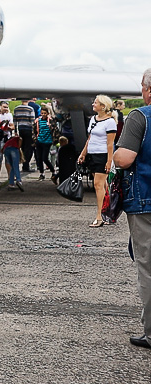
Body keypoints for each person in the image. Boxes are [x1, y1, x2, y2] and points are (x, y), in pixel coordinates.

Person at [111, 68, 151, 349]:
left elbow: (125, 158)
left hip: (146, 200)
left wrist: (114, 153)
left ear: (147, 88)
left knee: (148, 267)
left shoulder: (141, 116)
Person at [77, 95, 118, 228]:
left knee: (98, 185)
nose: (93, 104)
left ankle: (100, 216)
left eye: (96, 103)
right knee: (103, 185)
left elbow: (110, 143)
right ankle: (109, 212)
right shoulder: (93, 119)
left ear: (103, 106)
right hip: (92, 155)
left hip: (102, 155)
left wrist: (109, 161)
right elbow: (90, 138)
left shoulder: (110, 122)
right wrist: (83, 153)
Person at [12, 100, 36, 173]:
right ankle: (26, 165)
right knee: (28, 148)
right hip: (28, 129)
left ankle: (22, 163)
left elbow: (15, 121)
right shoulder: (30, 109)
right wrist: (33, 131)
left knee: (22, 147)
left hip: (20, 129)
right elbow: (32, 120)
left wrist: (15, 131)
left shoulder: (16, 109)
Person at [2, 118, 24, 192]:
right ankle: (18, 180)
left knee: (12, 167)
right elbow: (19, 143)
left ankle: (11, 183)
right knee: (16, 166)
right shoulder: (18, 138)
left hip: (6, 149)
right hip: (13, 149)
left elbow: (2, 149)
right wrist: (19, 148)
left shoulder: (11, 139)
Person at [34, 107, 54, 181]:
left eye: (45, 113)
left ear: (47, 114)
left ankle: (53, 171)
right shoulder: (38, 121)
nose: (43, 115)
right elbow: (34, 130)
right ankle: (41, 173)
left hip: (47, 141)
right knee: (39, 158)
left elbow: (54, 130)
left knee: (45, 158)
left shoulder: (50, 121)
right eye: (42, 113)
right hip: (39, 140)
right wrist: (35, 139)